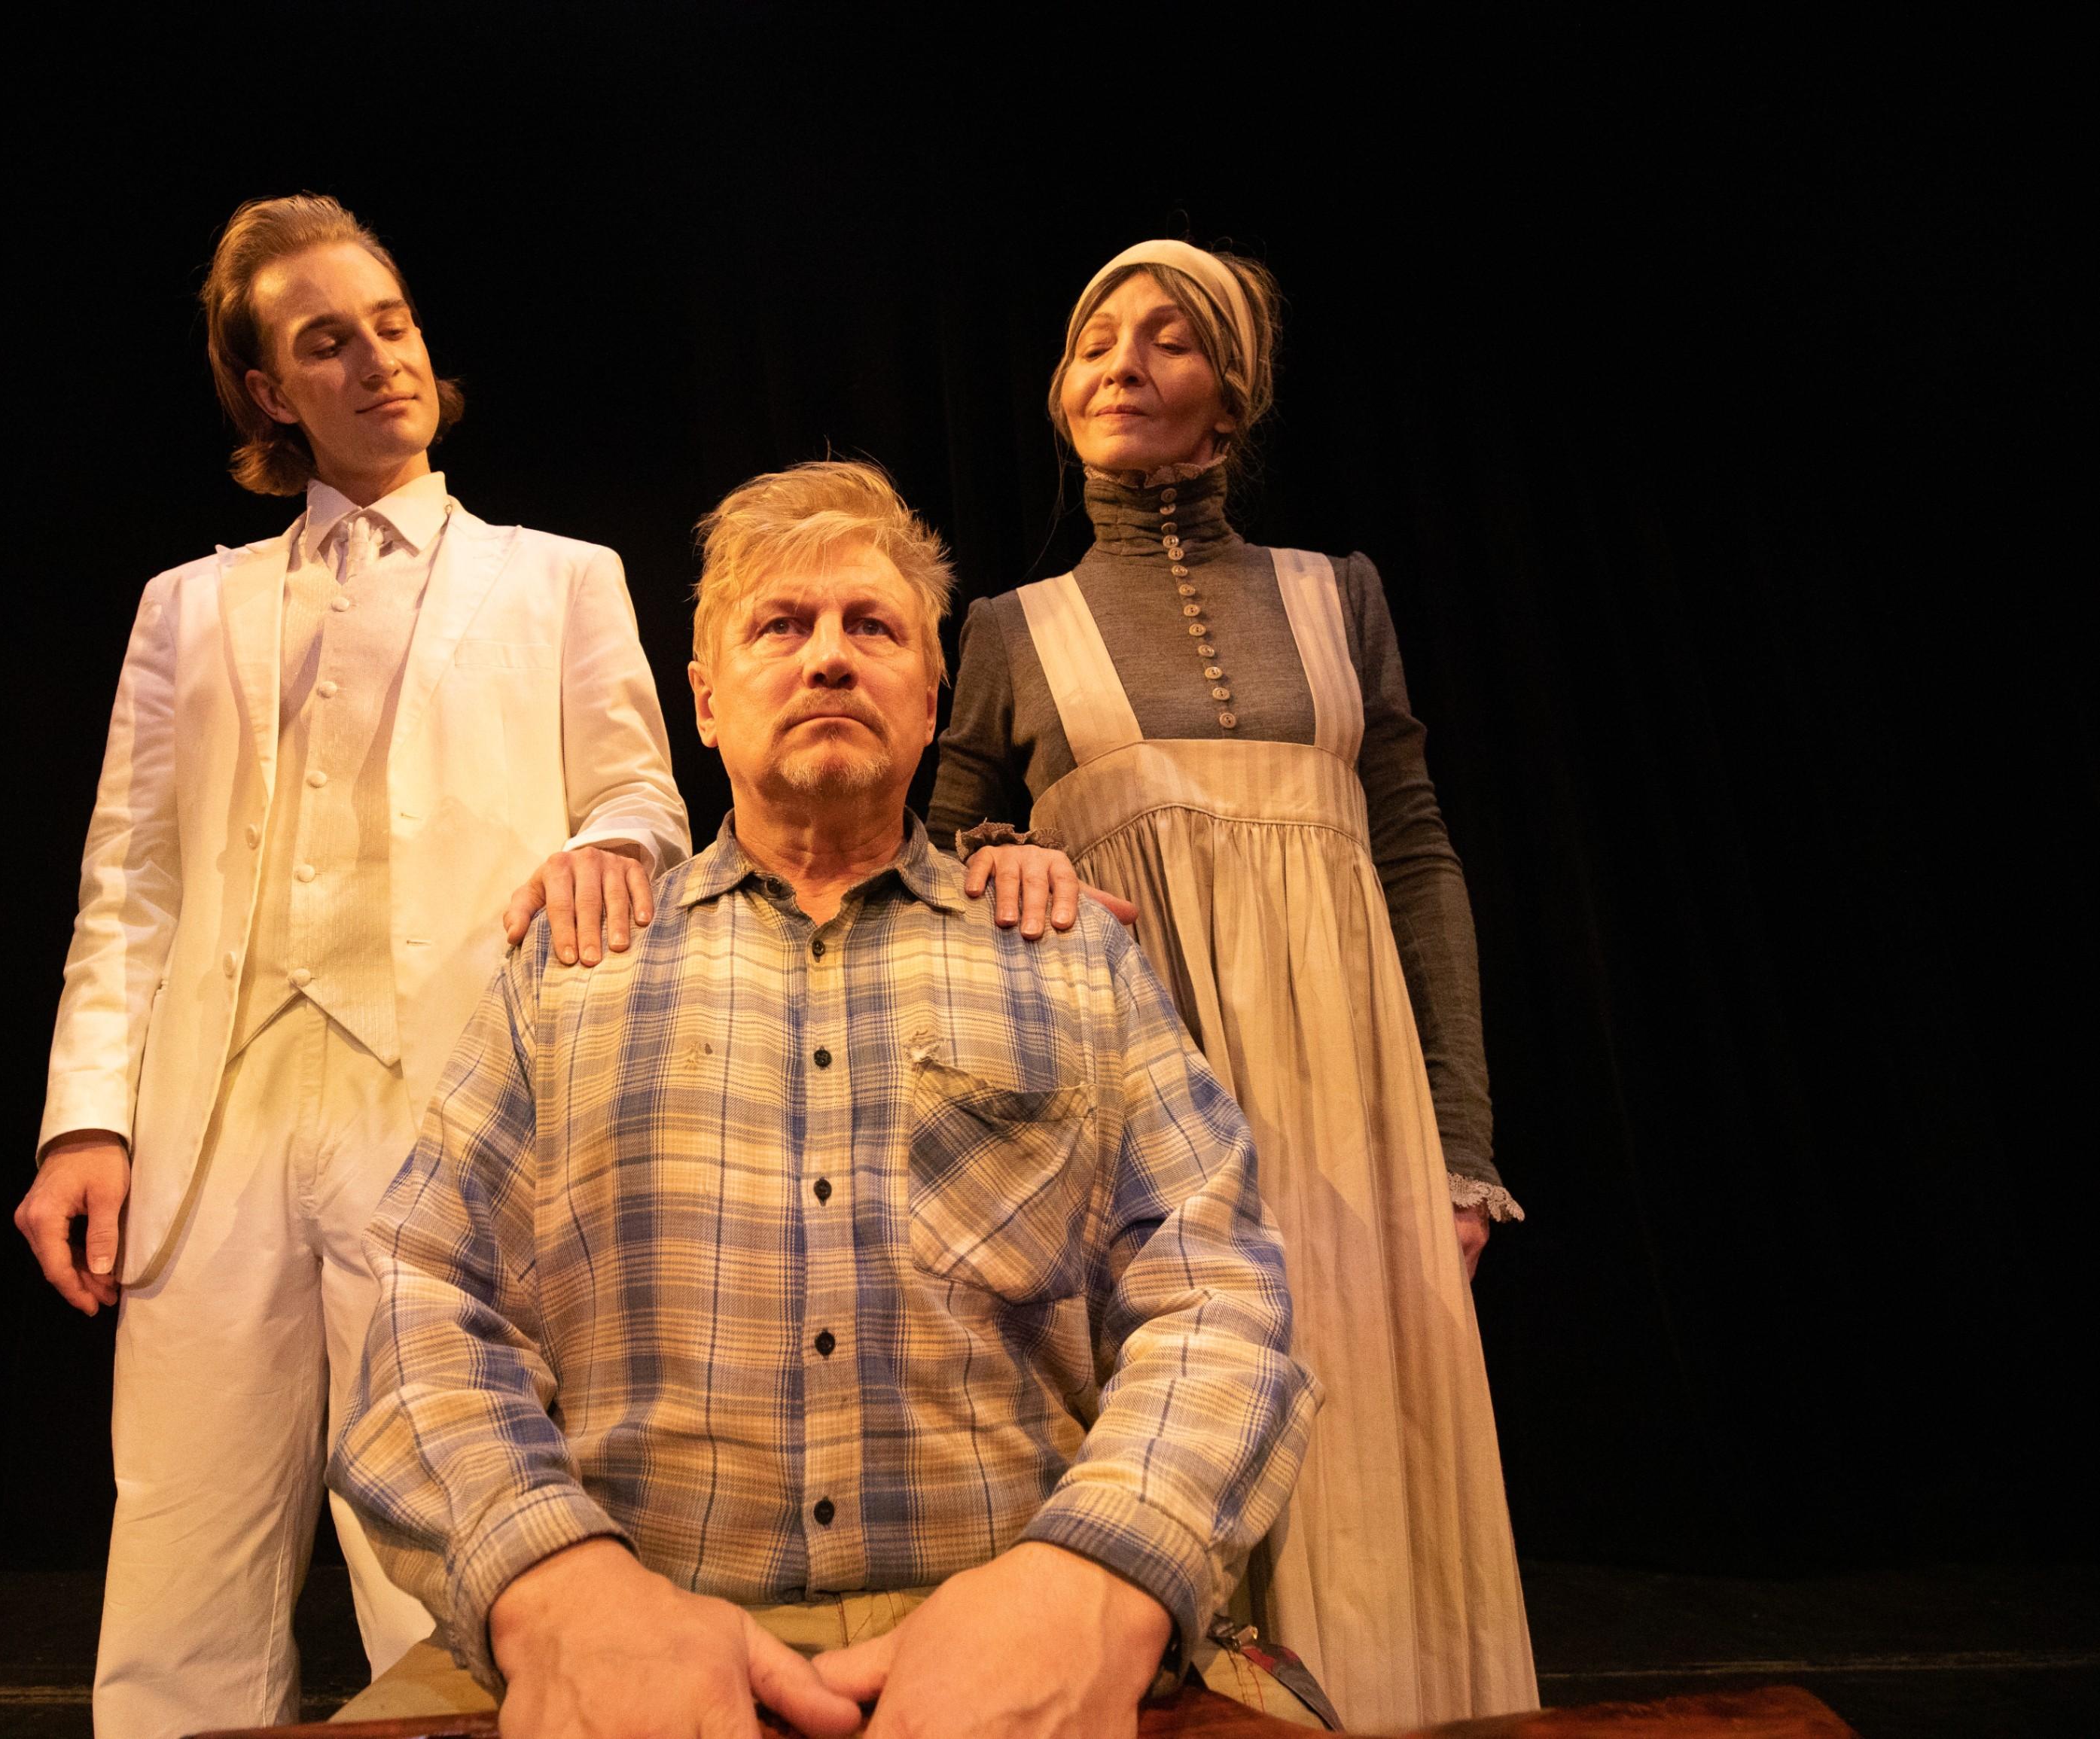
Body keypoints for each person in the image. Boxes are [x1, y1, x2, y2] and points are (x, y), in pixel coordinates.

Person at [332, 461, 1327, 1738]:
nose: (828, 658)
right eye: (780, 626)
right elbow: (426, 1297)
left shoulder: (1067, 953)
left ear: (931, 701)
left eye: (872, 627)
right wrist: (554, 1588)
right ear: (703, 701)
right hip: (630, 1616)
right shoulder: (571, 969)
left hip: (1014, 1619)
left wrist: (1098, 1576)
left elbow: (1217, 1293)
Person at [10, 193, 691, 1739]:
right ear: (268, 392)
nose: (379, 359)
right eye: (328, 341)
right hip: (216, 1115)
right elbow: (129, 883)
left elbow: (641, 799)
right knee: (182, 1548)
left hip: (444, 1102)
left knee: (444, 1548)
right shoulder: (187, 607)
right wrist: (84, 1120)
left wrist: (611, 850)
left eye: (392, 324)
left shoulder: (557, 578)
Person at [928, 239, 1536, 1726]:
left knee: (1378, 1474)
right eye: (1094, 341)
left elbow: (1415, 854)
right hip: (1137, 1130)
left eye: (1168, 338)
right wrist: (1006, 860)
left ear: (1232, 393)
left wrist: (1458, 1144)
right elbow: (923, 863)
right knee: (1179, 1485)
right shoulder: (1012, 629)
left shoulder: (1338, 597)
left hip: (1355, 1119)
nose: (1121, 365)